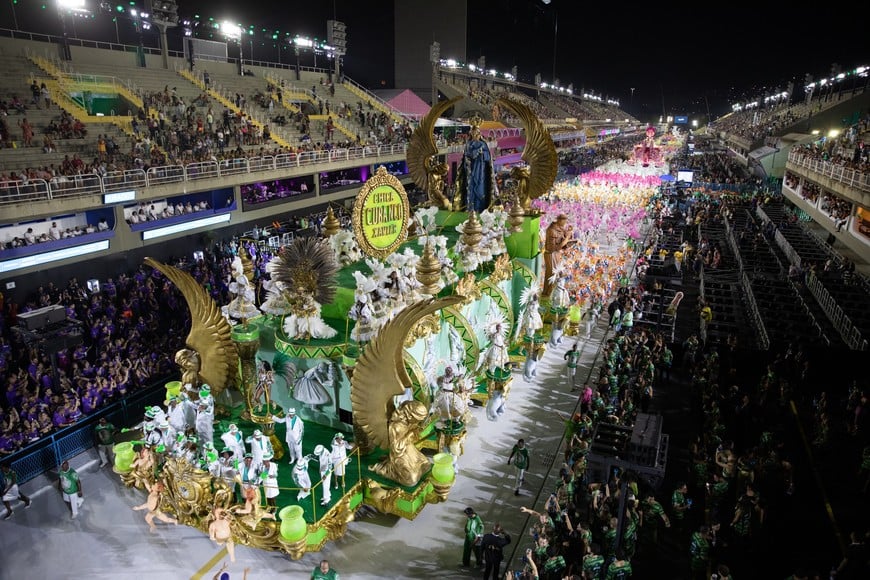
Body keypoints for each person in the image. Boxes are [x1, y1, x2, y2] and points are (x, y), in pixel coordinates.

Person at [456, 121, 497, 213]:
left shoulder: (483, 144)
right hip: (471, 171)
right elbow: (466, 156)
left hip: (481, 171)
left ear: (479, 134)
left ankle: (480, 208)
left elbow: (488, 158)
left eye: (476, 133)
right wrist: (475, 153)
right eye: (473, 133)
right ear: (470, 133)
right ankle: (471, 208)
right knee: (470, 190)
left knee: (481, 190)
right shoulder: (469, 144)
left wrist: (481, 153)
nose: (474, 135)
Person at [543, 214, 573, 295]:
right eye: (564, 221)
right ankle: (546, 294)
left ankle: (551, 294)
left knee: (556, 274)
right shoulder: (552, 230)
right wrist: (566, 240)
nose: (565, 223)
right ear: (560, 220)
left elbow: (562, 241)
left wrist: (568, 237)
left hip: (556, 254)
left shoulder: (560, 229)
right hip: (551, 254)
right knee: (551, 274)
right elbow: (553, 247)